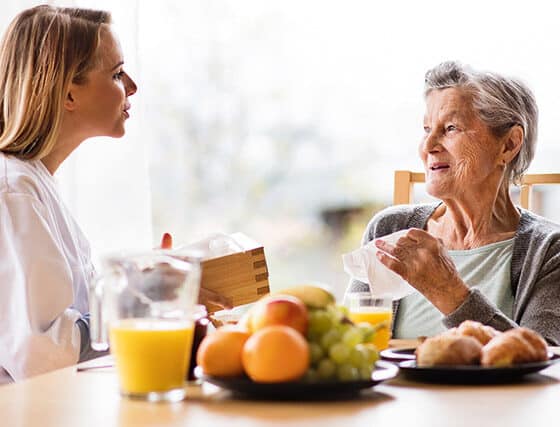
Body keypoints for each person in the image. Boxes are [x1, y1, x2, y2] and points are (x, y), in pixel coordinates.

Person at [0, 5, 228, 384]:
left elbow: (73, 318)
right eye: (117, 73)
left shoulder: (33, 183)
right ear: (68, 93)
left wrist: (148, 285)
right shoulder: (14, 192)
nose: (133, 86)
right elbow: (43, 353)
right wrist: (148, 302)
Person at [347, 61, 560, 345]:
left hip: (493, 393)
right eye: (426, 129)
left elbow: (546, 362)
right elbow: (351, 342)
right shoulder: (389, 229)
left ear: (508, 144)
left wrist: (448, 292)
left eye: (450, 128)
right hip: (397, 391)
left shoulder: (548, 251)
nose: (428, 146)